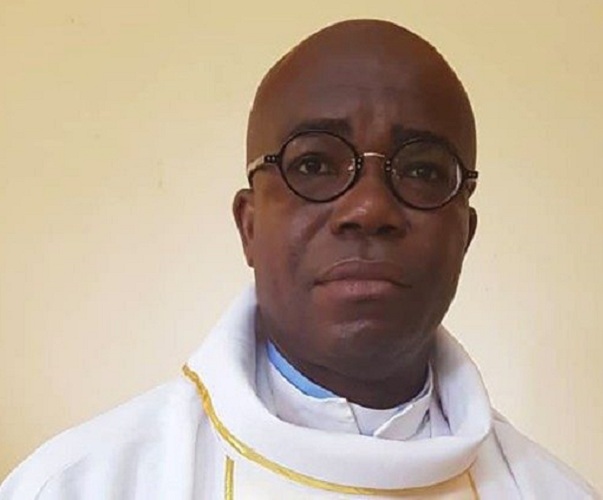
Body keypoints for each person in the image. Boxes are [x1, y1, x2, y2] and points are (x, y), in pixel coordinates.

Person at [0, 19, 598, 500]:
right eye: (313, 164)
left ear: (464, 234)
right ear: (249, 225)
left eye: (421, 170)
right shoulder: (78, 485)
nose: (368, 208)